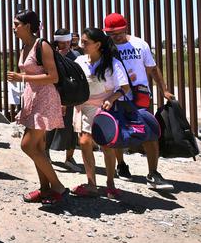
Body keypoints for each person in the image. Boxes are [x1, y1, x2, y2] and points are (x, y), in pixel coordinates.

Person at [103, 13, 175, 191]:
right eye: (111, 33)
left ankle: (153, 173)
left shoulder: (139, 44)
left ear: (125, 27)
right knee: (117, 133)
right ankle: (121, 164)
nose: (115, 36)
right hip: (115, 97)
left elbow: (152, 68)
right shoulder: (105, 47)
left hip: (140, 96)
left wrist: (163, 89)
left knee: (149, 132)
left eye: (118, 32)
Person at [7, 10, 68, 205]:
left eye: (16, 24)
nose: (14, 28)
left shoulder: (42, 45)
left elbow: (53, 77)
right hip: (32, 98)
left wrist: (22, 77)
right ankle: (45, 189)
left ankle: (57, 186)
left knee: (27, 145)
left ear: (27, 25)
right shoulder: (25, 46)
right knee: (39, 146)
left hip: (45, 98)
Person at [71, 28, 131, 198]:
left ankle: (110, 183)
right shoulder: (80, 61)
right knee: (84, 142)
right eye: (82, 41)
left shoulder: (112, 63)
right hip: (84, 107)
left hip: (105, 109)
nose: (82, 45)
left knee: (106, 146)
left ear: (98, 44)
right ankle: (91, 184)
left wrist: (112, 99)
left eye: (86, 42)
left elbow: (125, 88)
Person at [46, 28, 81, 172]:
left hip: (71, 97)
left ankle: (69, 158)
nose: (65, 45)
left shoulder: (76, 56)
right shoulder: (51, 56)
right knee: (50, 126)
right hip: (53, 95)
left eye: (68, 41)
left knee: (72, 128)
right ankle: (45, 153)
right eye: (62, 42)